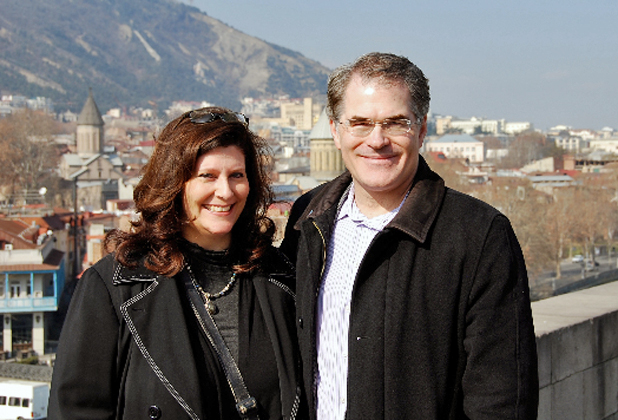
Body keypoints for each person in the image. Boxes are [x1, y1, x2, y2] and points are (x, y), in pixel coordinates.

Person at [280, 52, 538, 419]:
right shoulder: (307, 218)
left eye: (395, 123)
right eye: (360, 123)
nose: (377, 140)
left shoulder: (478, 234)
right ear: (336, 132)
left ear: (421, 129)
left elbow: (501, 397)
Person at [49, 106, 306, 420]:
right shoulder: (116, 286)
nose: (224, 192)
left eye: (236, 175)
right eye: (207, 176)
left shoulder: (280, 277)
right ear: (174, 183)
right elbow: (76, 410)